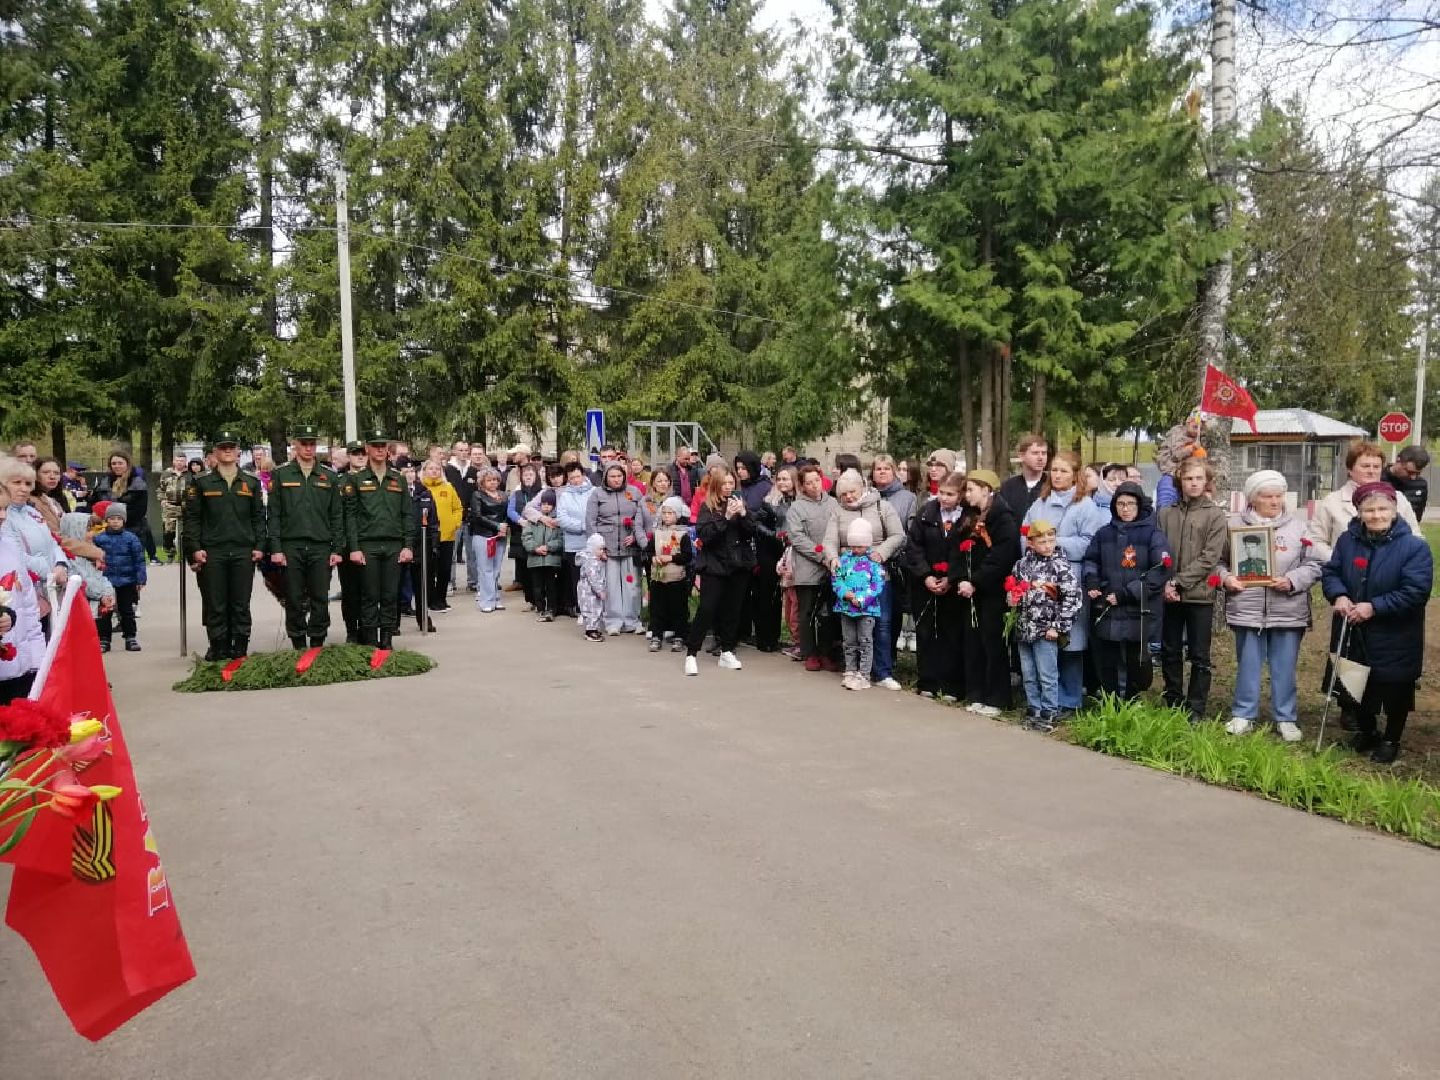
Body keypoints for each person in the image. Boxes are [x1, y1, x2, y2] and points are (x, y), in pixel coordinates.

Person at [1320, 481, 1432, 763]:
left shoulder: (1414, 547)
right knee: (1354, 681)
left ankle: (1391, 738)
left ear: (1394, 511)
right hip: (1353, 625)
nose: (1376, 515)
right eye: (1369, 510)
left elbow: (1416, 591)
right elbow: (1331, 572)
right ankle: (1367, 730)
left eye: (1383, 509)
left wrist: (1375, 607)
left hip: (1394, 631)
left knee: (1394, 687)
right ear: (1359, 512)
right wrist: (1339, 595)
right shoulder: (1348, 540)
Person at [1221, 470, 1324, 743]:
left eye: (1279, 495)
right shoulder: (1233, 526)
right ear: (1253, 499)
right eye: (1268, 496)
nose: (1275, 501)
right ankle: (1243, 713)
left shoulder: (1300, 527)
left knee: (1284, 666)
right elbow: (1217, 563)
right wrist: (1227, 579)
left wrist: (1291, 580)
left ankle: (1286, 718)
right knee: (1248, 665)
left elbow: (1314, 564)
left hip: (1288, 609)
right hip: (1247, 606)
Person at [1022, 452, 1108, 715]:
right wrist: (1031, 549)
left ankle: (1070, 699)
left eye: (1064, 471)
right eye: (1054, 471)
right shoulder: (1040, 503)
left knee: (1069, 641)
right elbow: (1025, 532)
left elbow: (1089, 543)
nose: (1057, 475)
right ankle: (1046, 697)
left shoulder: (1085, 506)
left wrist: (1053, 543)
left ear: (1075, 475)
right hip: (1038, 580)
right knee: (1043, 640)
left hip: (1068, 576)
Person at [1082, 482, 1170, 700]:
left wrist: (1127, 593)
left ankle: (1131, 698)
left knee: (1137, 663)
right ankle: (1111, 701)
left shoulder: (1153, 535)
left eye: (1131, 504)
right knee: (1108, 659)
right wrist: (1092, 582)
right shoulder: (1104, 534)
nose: (1126, 508)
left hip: (1138, 609)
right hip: (1108, 607)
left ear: (1139, 506)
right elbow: (1091, 560)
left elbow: (1160, 570)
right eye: (1121, 504)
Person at [183, 431, 266, 660]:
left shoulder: (251, 482)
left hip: (243, 550)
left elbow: (259, 518)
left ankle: (239, 648)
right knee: (215, 603)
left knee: (240, 604)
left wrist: (260, 545)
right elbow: (192, 519)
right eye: (223, 447)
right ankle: (218, 646)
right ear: (215, 453)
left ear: (239, 452)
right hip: (213, 551)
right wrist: (194, 549)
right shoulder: (201, 482)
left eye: (232, 447)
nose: (228, 451)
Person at [1156, 458, 1227, 722]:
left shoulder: (1214, 515)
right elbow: (1159, 550)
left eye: (1198, 478)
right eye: (1188, 479)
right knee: (1170, 649)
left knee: (1199, 654)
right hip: (1169, 593)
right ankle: (1173, 698)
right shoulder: (1166, 513)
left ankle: (1196, 706)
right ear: (1180, 482)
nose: (1193, 483)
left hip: (1199, 595)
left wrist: (1179, 581)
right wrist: (1166, 582)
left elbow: (1210, 557)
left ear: (1206, 481)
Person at [825, 469, 904, 689]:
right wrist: (832, 558)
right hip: (848, 577)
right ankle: (855, 670)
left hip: (876, 575)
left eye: (852, 491)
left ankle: (883, 671)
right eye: (843, 494)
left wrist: (882, 552)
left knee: (882, 624)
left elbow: (898, 535)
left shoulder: (882, 506)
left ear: (862, 486)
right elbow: (829, 540)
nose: (849, 497)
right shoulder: (837, 512)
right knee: (851, 629)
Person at [268, 424, 344, 649]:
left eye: (312, 443)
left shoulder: (328, 476)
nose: (309, 448)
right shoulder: (281, 474)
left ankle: (318, 639)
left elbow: (336, 515)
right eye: (304, 444)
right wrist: (276, 548)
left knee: (320, 596)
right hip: (291, 545)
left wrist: (337, 549)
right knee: (293, 597)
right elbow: (274, 515)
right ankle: (298, 641)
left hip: (321, 545)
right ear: (295, 445)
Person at [952, 468, 1021, 714]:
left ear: (986, 490)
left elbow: (1002, 556)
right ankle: (976, 693)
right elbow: (956, 549)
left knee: (993, 642)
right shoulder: (968, 516)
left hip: (992, 591)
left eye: (971, 489)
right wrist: (960, 578)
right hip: (969, 590)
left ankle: (998, 698)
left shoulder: (1003, 518)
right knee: (973, 642)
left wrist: (976, 581)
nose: (967, 494)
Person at [339, 430, 415, 649]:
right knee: (370, 596)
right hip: (367, 545)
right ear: (368, 449)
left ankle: (387, 641)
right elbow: (350, 517)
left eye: (383, 446)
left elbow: (406, 515)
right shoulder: (356, 479)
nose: (380, 450)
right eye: (376, 446)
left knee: (390, 596)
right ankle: (371, 642)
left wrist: (408, 545)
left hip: (393, 545)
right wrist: (354, 547)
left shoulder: (398, 479)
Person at [902, 469, 968, 701]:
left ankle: (952, 685)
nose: (945, 498)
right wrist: (926, 575)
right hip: (926, 584)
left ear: (961, 495)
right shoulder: (926, 513)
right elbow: (914, 547)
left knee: (951, 634)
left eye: (951, 494)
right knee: (926, 632)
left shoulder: (967, 517)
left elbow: (964, 551)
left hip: (952, 585)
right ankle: (927, 681)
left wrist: (952, 577)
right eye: (941, 492)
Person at [1010, 517, 1081, 731]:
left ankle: (1050, 712)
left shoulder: (1061, 566)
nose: (1048, 545)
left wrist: (1058, 627)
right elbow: (1014, 588)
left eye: (1051, 540)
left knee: (1047, 673)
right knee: (1029, 673)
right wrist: (1012, 599)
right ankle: (1034, 709)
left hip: (1046, 630)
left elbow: (1072, 599)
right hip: (1025, 628)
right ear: (1030, 543)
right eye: (1042, 541)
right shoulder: (1022, 565)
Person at [683, 465, 755, 676]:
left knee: (733, 610)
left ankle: (727, 650)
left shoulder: (740, 502)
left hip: (738, 565)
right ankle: (691, 653)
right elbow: (705, 535)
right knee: (707, 608)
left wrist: (742, 514)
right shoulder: (708, 506)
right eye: (724, 484)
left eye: (731, 483)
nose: (728, 487)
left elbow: (751, 532)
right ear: (716, 485)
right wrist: (725, 518)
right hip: (714, 565)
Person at [1306, 440, 1420, 563]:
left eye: (1376, 467)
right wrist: (1340, 560)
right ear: (1350, 469)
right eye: (1365, 466)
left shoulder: (1399, 500)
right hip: (1345, 575)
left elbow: (1415, 537)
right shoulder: (1331, 502)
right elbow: (1315, 541)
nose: (1371, 471)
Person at [1, 456, 71, 619]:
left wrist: (61, 564)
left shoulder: (32, 512)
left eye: (27, 484)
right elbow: (14, 555)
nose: (23, 489)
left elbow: (53, 543)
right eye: (16, 483)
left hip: (48, 587)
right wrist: (50, 572)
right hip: (24, 591)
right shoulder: (4, 516)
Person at [786, 463, 839, 671]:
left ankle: (827, 652)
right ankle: (810, 653)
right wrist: (820, 554)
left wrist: (832, 555)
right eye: (809, 483)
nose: (814, 486)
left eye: (816, 480)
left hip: (831, 566)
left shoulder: (833, 503)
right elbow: (797, 537)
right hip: (808, 566)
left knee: (828, 613)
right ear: (802, 486)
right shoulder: (797, 508)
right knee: (807, 611)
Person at [586, 461, 646, 634]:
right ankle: (613, 621)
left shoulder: (634, 493)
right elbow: (590, 522)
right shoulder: (597, 494)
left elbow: (643, 518)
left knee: (632, 585)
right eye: (612, 476)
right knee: (611, 586)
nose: (616, 479)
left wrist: (636, 536)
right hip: (608, 549)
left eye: (619, 476)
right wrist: (598, 547)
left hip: (630, 548)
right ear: (606, 477)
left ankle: (632, 620)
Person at [0, 486, 45, 703]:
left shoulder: (9, 546)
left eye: (4, 509)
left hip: (18, 665)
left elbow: (26, 603)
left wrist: (37, 658)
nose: (2, 516)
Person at [832, 518, 886, 690]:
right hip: (846, 608)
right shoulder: (844, 559)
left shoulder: (874, 562)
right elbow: (836, 579)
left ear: (867, 544)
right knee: (849, 641)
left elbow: (878, 584)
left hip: (866, 609)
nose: (856, 549)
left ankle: (863, 674)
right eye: (853, 546)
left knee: (865, 641)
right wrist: (845, 594)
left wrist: (862, 598)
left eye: (860, 546)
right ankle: (850, 669)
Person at [736, 451, 781, 651]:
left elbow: (769, 516)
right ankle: (743, 631)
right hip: (742, 545)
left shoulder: (764, 487)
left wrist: (747, 515)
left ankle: (767, 637)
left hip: (763, 546)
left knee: (764, 592)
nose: (741, 472)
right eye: (738, 469)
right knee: (742, 591)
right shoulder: (738, 488)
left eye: (744, 468)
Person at [92, 504, 146, 653]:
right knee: (105, 611)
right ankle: (104, 639)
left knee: (127, 610)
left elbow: (139, 559)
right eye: (112, 518)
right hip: (106, 580)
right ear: (106, 520)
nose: (115, 521)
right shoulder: (99, 539)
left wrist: (140, 578)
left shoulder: (131, 538)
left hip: (127, 580)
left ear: (124, 521)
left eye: (118, 519)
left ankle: (130, 637)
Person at [758, 466, 799, 658]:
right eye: (779, 479)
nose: (782, 483)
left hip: (797, 550)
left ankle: (798, 640)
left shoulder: (800, 501)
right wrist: (775, 535)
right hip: (776, 550)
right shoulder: (771, 501)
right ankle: (774, 638)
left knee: (795, 598)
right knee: (778, 598)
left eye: (786, 479)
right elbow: (757, 523)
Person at [91, 450, 158, 563]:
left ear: (127, 464)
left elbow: (139, 510)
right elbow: (94, 503)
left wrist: (117, 520)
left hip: (133, 531)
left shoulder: (137, 483)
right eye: (114, 463)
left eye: (120, 463)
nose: (117, 466)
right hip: (105, 532)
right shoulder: (104, 481)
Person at [646, 496, 693, 652]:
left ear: (677, 515)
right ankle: (656, 635)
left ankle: (680, 635)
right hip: (658, 578)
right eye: (664, 513)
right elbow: (648, 551)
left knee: (678, 608)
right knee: (657, 608)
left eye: (670, 513)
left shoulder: (683, 534)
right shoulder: (657, 533)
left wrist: (671, 557)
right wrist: (653, 557)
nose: (666, 516)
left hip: (676, 578)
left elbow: (687, 556)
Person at [420, 459, 464, 611]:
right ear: (424, 471)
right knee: (429, 569)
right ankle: (430, 600)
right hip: (427, 536)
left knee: (445, 569)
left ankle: (441, 598)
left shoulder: (448, 487)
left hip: (447, 535)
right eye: (430, 468)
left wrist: (454, 524)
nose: (434, 471)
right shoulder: (421, 488)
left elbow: (458, 508)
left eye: (437, 469)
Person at [468, 467, 510, 613]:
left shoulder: (504, 495)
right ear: (482, 482)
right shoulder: (477, 495)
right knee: (485, 569)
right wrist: (497, 525)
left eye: (495, 480)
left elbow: (507, 514)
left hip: (500, 537)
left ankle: (496, 598)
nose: (493, 483)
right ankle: (486, 600)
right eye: (489, 480)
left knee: (496, 570)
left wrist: (505, 527)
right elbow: (477, 516)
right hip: (483, 536)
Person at [556, 461, 595, 618]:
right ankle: (581, 608)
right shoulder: (564, 495)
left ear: (583, 475)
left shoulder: (594, 492)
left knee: (594, 576)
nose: (576, 480)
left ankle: (596, 607)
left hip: (592, 543)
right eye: (572, 478)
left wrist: (590, 527)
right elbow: (562, 519)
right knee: (577, 579)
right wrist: (583, 525)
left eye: (578, 477)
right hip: (574, 544)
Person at [59, 512, 116, 613]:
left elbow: (100, 577)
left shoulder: (89, 554)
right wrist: (102, 594)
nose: (92, 534)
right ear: (74, 530)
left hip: (95, 605)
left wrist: (108, 592)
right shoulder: (67, 558)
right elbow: (83, 583)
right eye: (87, 530)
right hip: (78, 611)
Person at [522, 489, 564, 623]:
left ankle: (551, 609)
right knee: (537, 586)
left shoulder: (556, 522)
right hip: (535, 560)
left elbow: (560, 539)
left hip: (551, 560)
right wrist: (535, 548)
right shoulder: (532, 521)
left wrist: (548, 547)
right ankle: (540, 608)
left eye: (549, 504)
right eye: (543, 503)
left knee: (551, 586)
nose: (546, 506)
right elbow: (526, 537)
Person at [998, 434, 1049, 517]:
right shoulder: (1008, 487)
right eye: (1035, 453)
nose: (1040, 458)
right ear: (1021, 456)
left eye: (1044, 453)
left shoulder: (1052, 485)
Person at [157, 452, 190, 561]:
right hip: (170, 506)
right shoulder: (166, 474)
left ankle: (184, 554)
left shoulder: (190, 474)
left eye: (182, 460)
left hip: (186, 506)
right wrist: (162, 500)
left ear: (185, 462)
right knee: (168, 531)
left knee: (186, 531)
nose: (180, 462)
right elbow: (161, 488)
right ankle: (170, 553)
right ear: (174, 461)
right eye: (178, 460)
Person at [576, 533, 608, 642]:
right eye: (600, 549)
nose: (602, 551)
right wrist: (600, 590)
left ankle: (594, 628)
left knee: (596, 609)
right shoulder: (591, 562)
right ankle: (590, 631)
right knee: (591, 610)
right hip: (588, 591)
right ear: (592, 549)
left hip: (590, 590)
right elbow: (593, 578)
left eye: (603, 549)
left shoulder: (594, 559)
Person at [1388, 446, 1429, 520]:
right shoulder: (1379, 478)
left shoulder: (1421, 485)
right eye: (1410, 472)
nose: (1413, 477)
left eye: (1418, 473)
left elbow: (1417, 516)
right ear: (1398, 460)